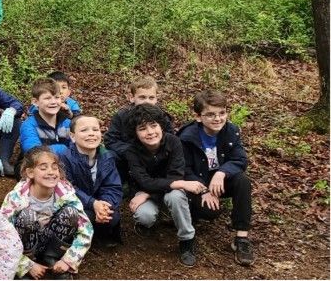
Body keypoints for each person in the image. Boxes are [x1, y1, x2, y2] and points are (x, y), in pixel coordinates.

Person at [178, 90, 254, 265]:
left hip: (220, 180)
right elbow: (183, 169)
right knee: (210, 212)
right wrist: (204, 189)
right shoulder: (187, 137)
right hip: (197, 183)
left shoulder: (231, 131)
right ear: (198, 117)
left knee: (243, 181)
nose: (218, 119)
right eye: (210, 114)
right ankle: (190, 216)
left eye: (222, 113)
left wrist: (222, 172)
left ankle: (241, 238)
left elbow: (240, 159)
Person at [125, 103, 205, 267]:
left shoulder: (174, 142)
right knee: (144, 216)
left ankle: (187, 239)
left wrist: (148, 193)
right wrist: (180, 184)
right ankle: (158, 217)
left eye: (154, 126)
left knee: (175, 196)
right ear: (135, 132)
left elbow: (175, 175)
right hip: (149, 190)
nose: (150, 132)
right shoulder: (132, 151)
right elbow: (144, 181)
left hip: (162, 192)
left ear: (161, 126)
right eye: (142, 128)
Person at [0, 146, 94, 279]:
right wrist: (25, 264)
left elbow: (86, 229)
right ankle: (28, 267)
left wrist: (68, 260)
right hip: (25, 248)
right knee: (27, 216)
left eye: (54, 168)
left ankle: (52, 259)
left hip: (51, 241)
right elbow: (1, 234)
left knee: (71, 213)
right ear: (30, 172)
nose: (51, 172)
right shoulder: (16, 197)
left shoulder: (65, 194)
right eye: (43, 168)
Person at [60, 115, 123, 246]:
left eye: (95, 130)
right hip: (75, 205)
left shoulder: (107, 157)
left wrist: (105, 205)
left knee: (112, 216)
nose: (91, 134)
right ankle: (74, 240)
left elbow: (113, 186)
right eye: (84, 130)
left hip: (98, 204)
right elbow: (68, 188)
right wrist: (93, 203)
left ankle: (99, 236)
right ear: (72, 136)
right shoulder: (64, 158)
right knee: (85, 216)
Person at [104, 75, 175, 183]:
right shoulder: (122, 116)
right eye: (142, 97)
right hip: (128, 156)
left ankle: (160, 183)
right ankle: (120, 184)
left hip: (155, 155)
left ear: (156, 98)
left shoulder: (162, 116)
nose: (147, 101)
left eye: (151, 98)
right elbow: (110, 140)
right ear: (132, 97)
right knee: (110, 156)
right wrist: (130, 151)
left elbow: (171, 137)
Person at [20, 78, 72, 157]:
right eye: (47, 98)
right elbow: (33, 152)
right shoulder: (29, 125)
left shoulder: (67, 123)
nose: (53, 102)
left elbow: (78, 147)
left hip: (65, 165)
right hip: (37, 166)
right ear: (35, 102)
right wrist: (63, 149)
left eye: (57, 97)